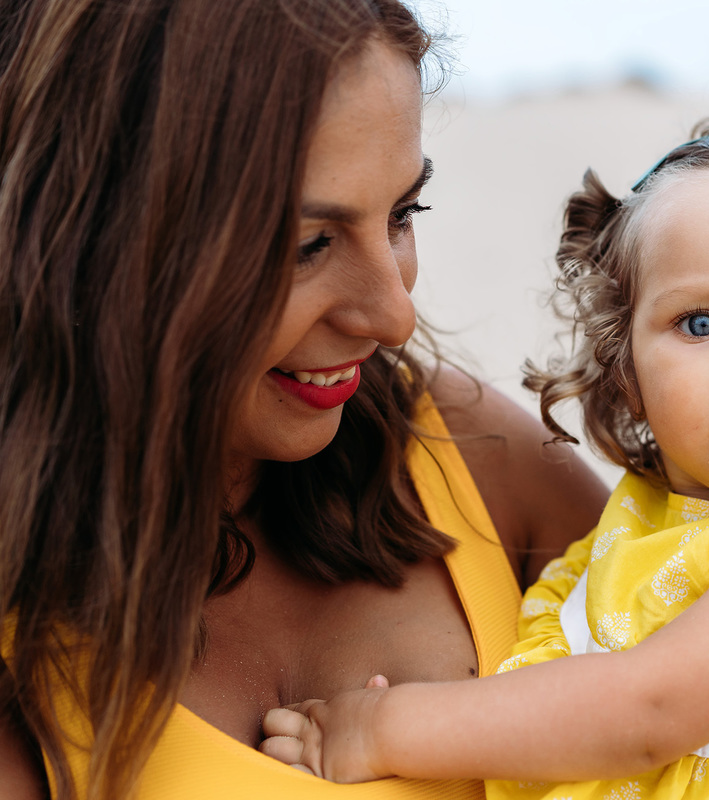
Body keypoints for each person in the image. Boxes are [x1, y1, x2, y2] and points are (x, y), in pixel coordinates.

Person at [258, 118, 709, 799]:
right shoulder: (642, 526)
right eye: (700, 322)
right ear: (627, 372)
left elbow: (646, 712)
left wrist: (389, 730)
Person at [0, 1, 610, 799]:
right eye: (304, 247)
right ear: (94, 241)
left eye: (402, 214)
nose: (393, 317)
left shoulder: (472, 456)